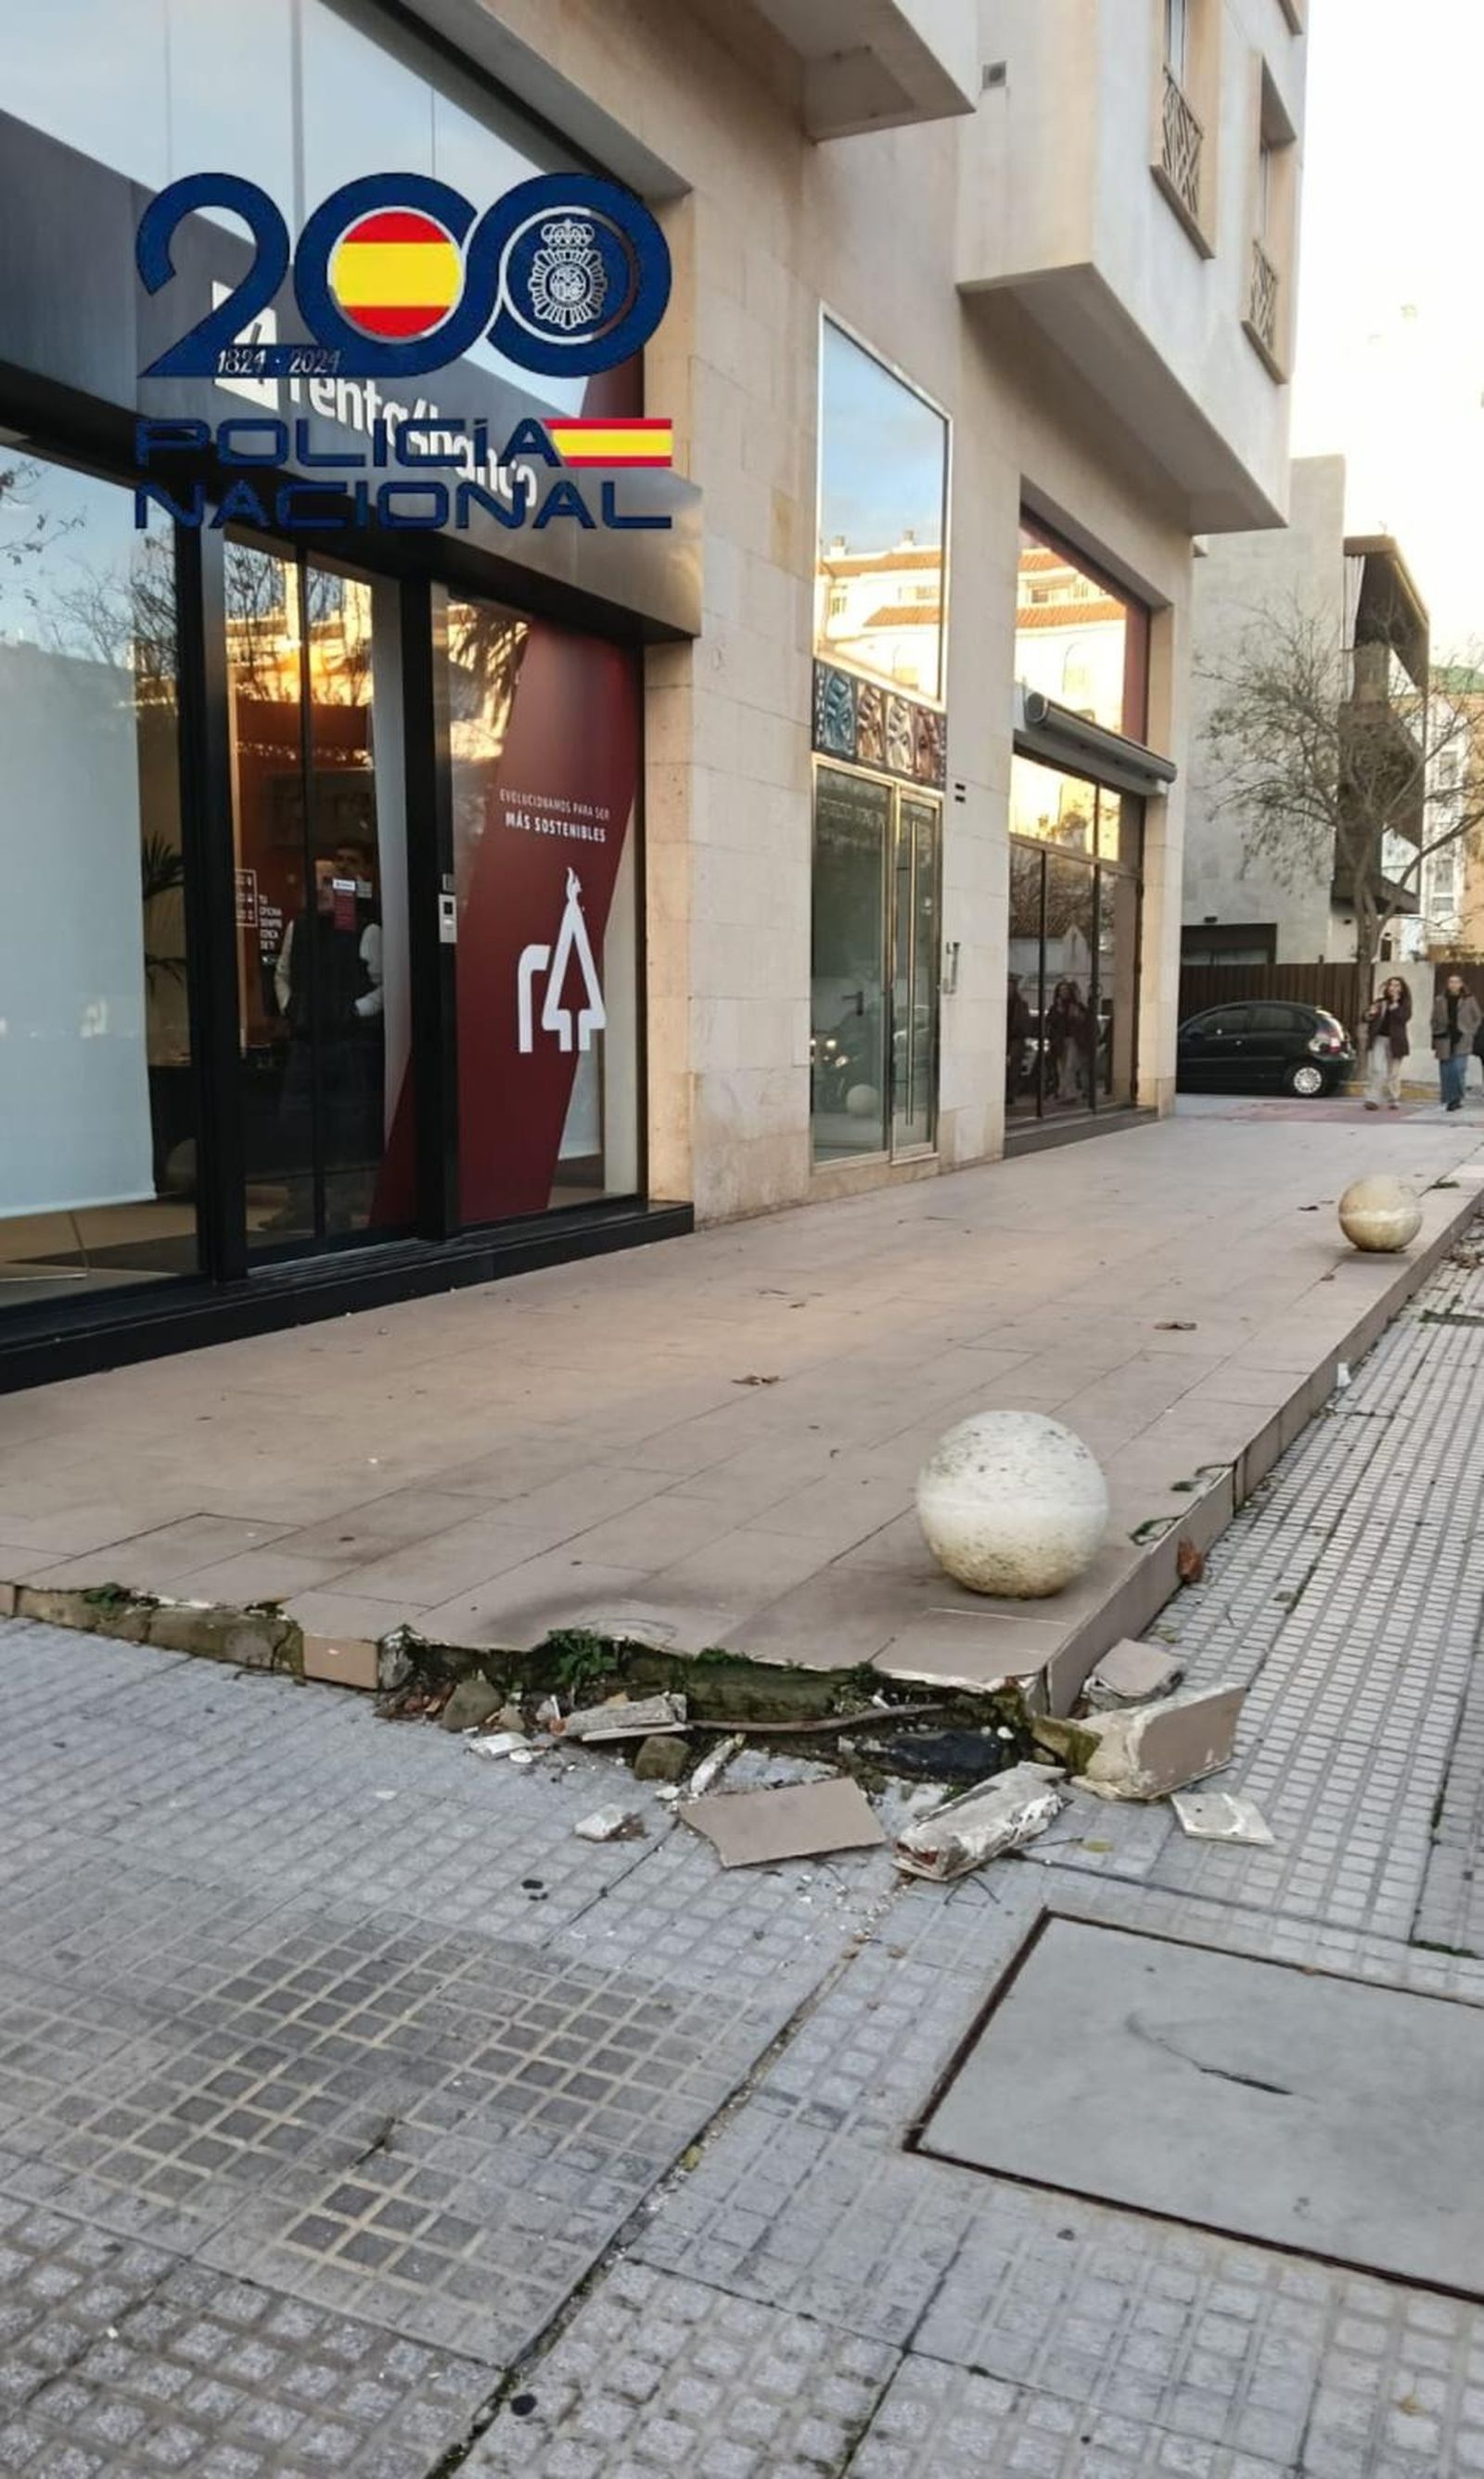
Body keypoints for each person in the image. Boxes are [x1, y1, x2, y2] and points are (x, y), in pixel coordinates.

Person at [1431, 972, 1481, 1112]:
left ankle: (1457, 1097)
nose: (1453, 985)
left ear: (1461, 984)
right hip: (1444, 1038)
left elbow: (1477, 1017)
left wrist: (1470, 1030)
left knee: (1459, 1068)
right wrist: (1436, 1031)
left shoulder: (1469, 999)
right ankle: (1450, 1098)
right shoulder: (1440, 1000)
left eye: (1456, 982)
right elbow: (1434, 1019)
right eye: (1451, 982)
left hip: (1462, 1038)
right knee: (1446, 1070)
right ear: (1447, 985)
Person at [1361, 976, 1412, 1111]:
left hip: (1396, 1042)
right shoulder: (1380, 1002)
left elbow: (1403, 1018)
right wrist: (1370, 1014)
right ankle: (1372, 1099)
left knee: (1393, 1073)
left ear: (1401, 989)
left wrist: (1395, 1005)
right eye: (1391, 985)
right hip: (1379, 1039)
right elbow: (1365, 1017)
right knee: (1377, 1069)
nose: (1393, 988)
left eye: (1397, 986)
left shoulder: (1404, 1004)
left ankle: (1394, 1098)